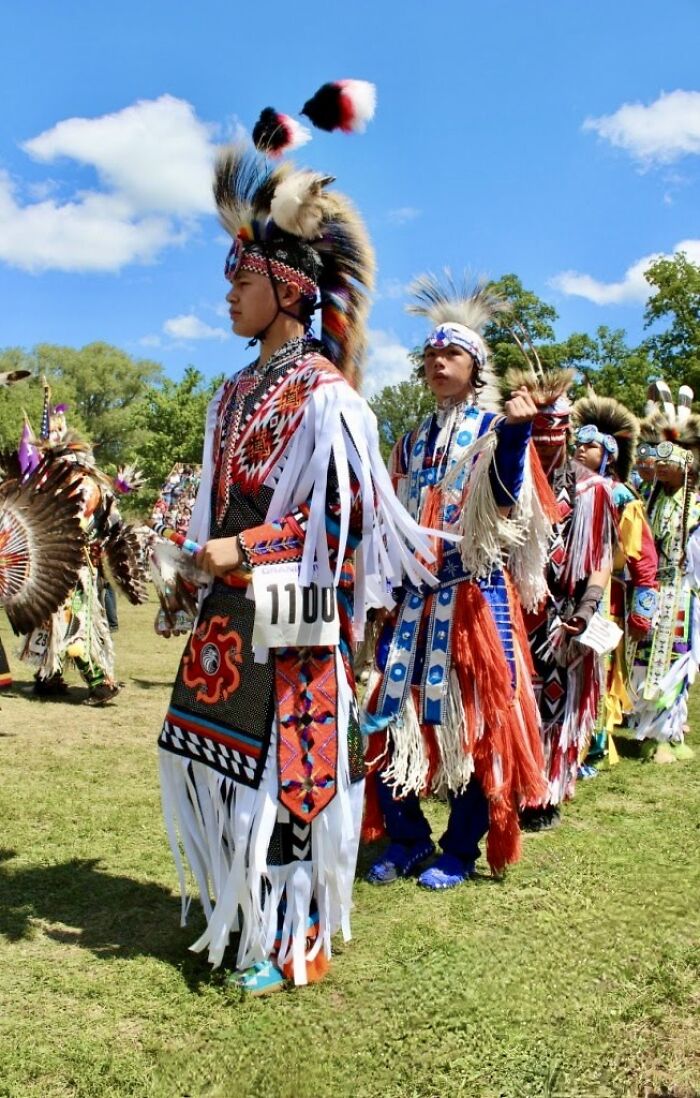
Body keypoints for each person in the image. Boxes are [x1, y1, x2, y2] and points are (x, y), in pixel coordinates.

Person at [156, 140, 436, 994]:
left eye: (241, 280)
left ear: (287, 290)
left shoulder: (328, 397)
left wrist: (245, 549)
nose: (227, 295)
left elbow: (342, 526)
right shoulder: (231, 395)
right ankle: (243, 910)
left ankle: (296, 938)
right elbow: (213, 505)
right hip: (228, 618)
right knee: (223, 765)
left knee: (292, 778)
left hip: (295, 614)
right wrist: (190, 569)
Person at [362, 275, 553, 889]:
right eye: (430, 355)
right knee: (386, 713)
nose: (437, 363)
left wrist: (517, 436)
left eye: (451, 354)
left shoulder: (497, 429)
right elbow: (388, 515)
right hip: (414, 598)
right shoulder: (410, 441)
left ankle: (460, 849)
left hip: (475, 596)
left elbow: (504, 506)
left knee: (479, 723)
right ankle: (408, 838)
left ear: (475, 367)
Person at [503, 368, 617, 831]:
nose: (549, 442)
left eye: (557, 432)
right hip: (509, 613)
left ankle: (542, 794)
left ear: (569, 432)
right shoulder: (507, 480)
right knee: (511, 702)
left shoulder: (592, 490)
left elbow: (601, 558)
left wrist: (587, 609)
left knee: (554, 704)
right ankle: (505, 785)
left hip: (563, 617)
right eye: (540, 432)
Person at [569, 395, 659, 772]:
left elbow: (644, 559)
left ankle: (593, 745)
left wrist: (642, 612)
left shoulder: (621, 495)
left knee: (599, 666)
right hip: (566, 590)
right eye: (578, 443)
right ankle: (564, 739)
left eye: (590, 445)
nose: (580, 449)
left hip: (606, 597)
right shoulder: (566, 488)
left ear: (608, 454)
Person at [626, 383, 699, 762]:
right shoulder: (648, 502)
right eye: (660, 458)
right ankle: (652, 734)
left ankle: (672, 731)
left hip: (684, 594)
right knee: (648, 661)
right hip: (653, 593)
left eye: (673, 458)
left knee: (680, 661)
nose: (663, 464)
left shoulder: (695, 504)